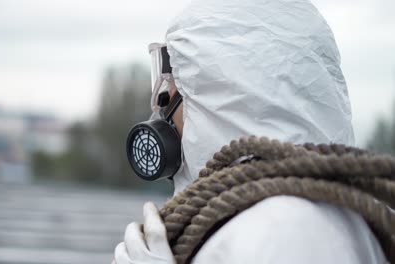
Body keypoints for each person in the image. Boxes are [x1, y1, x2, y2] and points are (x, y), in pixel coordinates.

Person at [113, 0, 388, 263]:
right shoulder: (320, 218)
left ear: (218, 97)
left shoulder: (285, 229)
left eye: (174, 88)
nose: (162, 109)